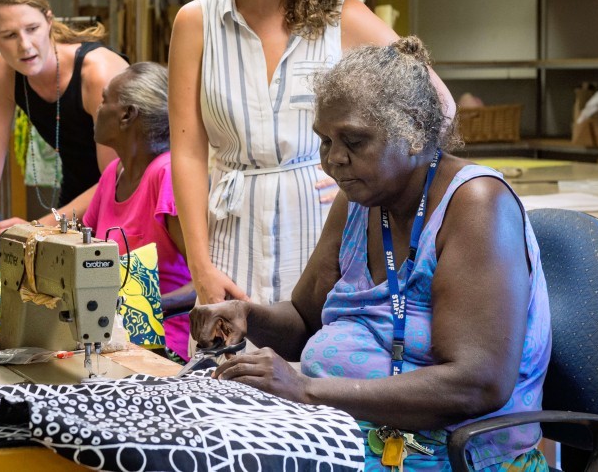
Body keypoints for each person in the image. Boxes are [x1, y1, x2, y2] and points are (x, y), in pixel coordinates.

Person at [190, 37, 551, 471]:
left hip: (451, 457)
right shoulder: (362, 200)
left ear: (415, 132)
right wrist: (248, 316)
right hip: (349, 435)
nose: (333, 160)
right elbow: (306, 320)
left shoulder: (475, 204)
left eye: (354, 141)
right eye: (324, 140)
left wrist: (305, 388)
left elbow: (477, 384)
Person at [168, 0, 456, 308]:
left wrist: (372, 176)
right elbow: (185, 153)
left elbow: (438, 105)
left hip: (322, 237)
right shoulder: (196, 22)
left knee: (313, 371)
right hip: (230, 242)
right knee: (225, 370)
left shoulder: (345, 18)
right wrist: (201, 268)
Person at [0, 0, 128, 262]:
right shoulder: (5, 72)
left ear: (49, 20)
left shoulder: (96, 72)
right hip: (75, 200)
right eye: (9, 35)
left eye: (32, 28)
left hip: (126, 202)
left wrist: (38, 227)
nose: (25, 45)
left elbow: (117, 177)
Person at [83, 62, 195, 361]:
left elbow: (205, 282)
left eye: (105, 99)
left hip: (162, 344)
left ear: (127, 115)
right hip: (112, 336)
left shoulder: (166, 175)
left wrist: (142, 304)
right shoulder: (113, 174)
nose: (98, 107)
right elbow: (82, 252)